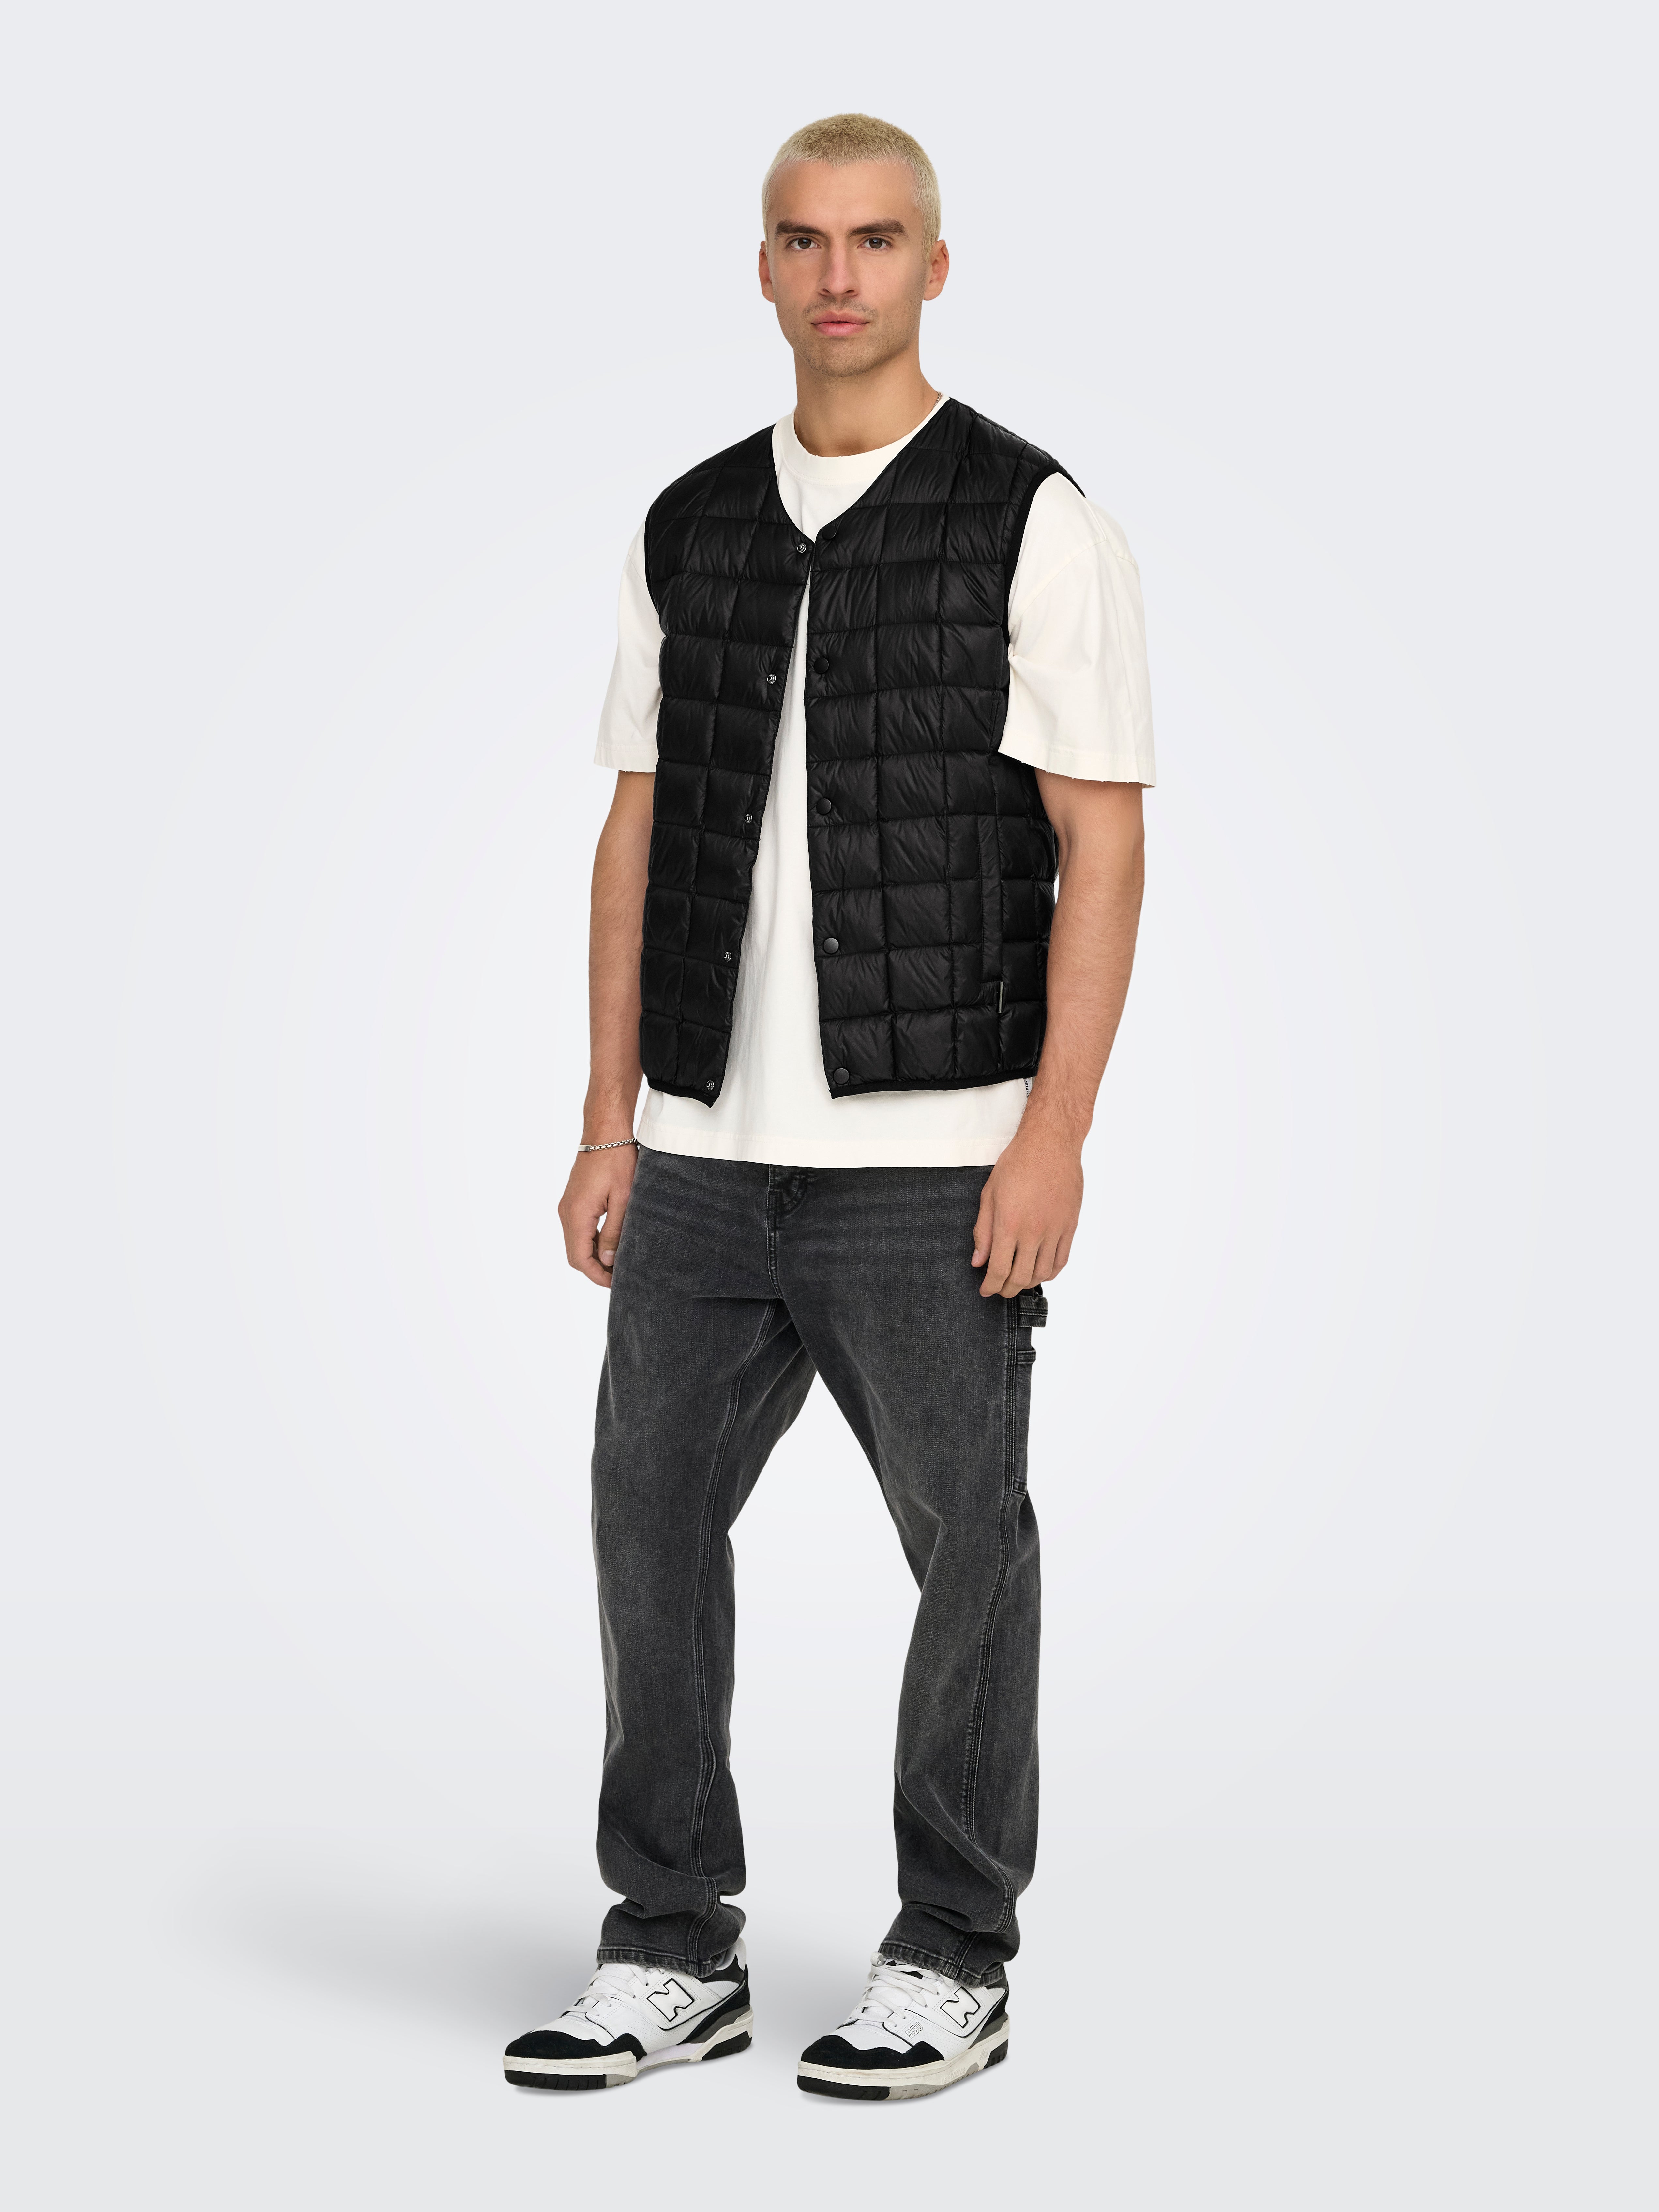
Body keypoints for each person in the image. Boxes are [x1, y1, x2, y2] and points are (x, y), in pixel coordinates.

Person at [504, 112, 1154, 2103]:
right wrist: (607, 1119)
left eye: (877, 239)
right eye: (805, 239)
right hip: (701, 1159)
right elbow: (634, 837)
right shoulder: (690, 524)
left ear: (934, 266)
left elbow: (1104, 846)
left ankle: (954, 1952)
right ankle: (666, 1944)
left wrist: (1054, 1132)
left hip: (932, 1164)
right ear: (766, 267)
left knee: (969, 1552)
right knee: (644, 1523)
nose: (841, 273)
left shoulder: (1034, 520)